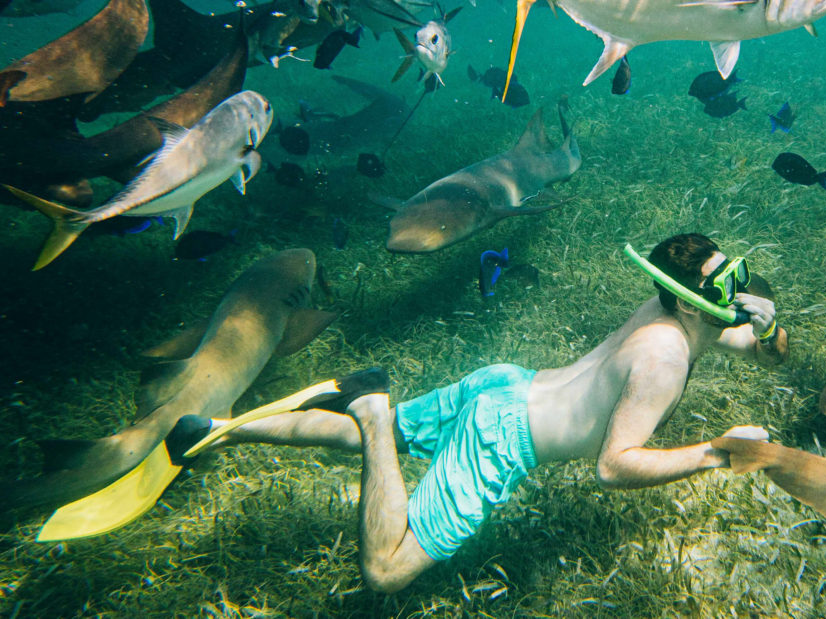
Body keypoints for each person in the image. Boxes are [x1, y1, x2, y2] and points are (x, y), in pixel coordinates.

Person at [172, 233, 789, 592]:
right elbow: (613, 467)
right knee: (387, 569)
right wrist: (716, 453)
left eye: (734, 275)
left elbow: (769, 359)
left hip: (504, 386)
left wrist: (769, 326)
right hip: (502, 437)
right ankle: (373, 413)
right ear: (685, 298)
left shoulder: (685, 317)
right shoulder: (665, 358)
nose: (734, 291)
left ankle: (218, 433)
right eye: (722, 284)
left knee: (347, 440)